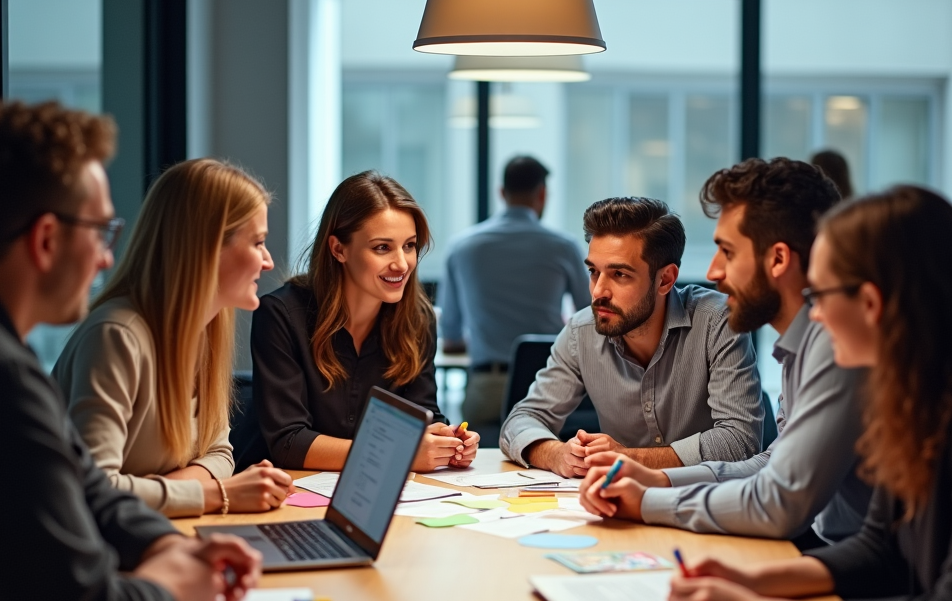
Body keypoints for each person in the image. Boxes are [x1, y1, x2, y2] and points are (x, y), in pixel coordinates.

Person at [667, 186, 952, 601]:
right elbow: (879, 548)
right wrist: (752, 580)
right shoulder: (915, 396)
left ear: (871, 304)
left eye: (820, 296)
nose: (817, 318)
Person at [0, 99, 260, 601]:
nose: (109, 255)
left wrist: (166, 547)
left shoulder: (14, 362)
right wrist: (178, 589)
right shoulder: (8, 381)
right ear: (44, 240)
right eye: (101, 230)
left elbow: (89, 487)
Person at [579, 158, 872, 546]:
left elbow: (779, 503)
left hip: (854, 558)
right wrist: (661, 479)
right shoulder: (799, 348)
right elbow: (773, 463)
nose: (714, 271)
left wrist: (649, 502)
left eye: (728, 252)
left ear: (779, 259)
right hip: (830, 546)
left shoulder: (835, 347)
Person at [53, 159, 293, 518]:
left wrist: (167, 492)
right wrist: (217, 495)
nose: (268, 261)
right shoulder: (116, 337)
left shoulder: (205, 327)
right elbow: (94, 490)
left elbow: (219, 453)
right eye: (258, 242)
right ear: (207, 248)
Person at [500, 196, 764, 478]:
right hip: (619, 506)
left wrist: (629, 458)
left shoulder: (718, 321)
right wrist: (557, 454)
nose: (599, 291)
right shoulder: (581, 331)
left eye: (620, 274)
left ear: (665, 280)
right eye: (593, 271)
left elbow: (740, 441)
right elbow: (521, 421)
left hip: (706, 503)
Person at [251, 170, 479, 472]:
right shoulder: (280, 315)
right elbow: (288, 442)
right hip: (294, 496)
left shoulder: (418, 319)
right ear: (338, 249)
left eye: (409, 245)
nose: (401, 263)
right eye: (382, 247)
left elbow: (423, 414)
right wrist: (399, 452)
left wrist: (447, 441)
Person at [439, 156, 591, 427]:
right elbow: (591, 317)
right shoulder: (563, 247)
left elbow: (449, 336)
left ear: (501, 193)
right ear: (542, 194)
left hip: (488, 389)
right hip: (553, 384)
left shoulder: (462, 247)